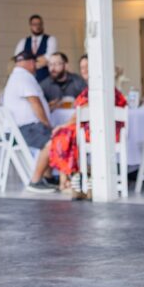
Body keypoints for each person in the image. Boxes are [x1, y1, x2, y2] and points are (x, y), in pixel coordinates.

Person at [48, 56, 127, 189]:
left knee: (63, 133)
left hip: (104, 132)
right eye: (82, 67)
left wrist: (64, 125)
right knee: (66, 133)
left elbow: (85, 110)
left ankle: (66, 181)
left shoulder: (100, 88)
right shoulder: (93, 88)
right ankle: (69, 179)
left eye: (87, 67)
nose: (84, 70)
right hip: (97, 130)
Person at [3, 53, 59, 195]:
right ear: (27, 62)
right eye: (34, 62)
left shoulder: (18, 76)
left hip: (23, 127)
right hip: (25, 128)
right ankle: (35, 181)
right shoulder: (23, 77)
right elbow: (35, 102)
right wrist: (46, 123)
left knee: (53, 137)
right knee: (54, 141)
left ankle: (48, 176)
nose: (35, 66)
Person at [13, 15, 57, 83]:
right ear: (30, 26)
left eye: (39, 24)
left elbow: (49, 59)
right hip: (26, 80)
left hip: (45, 79)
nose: (37, 26)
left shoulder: (50, 39)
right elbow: (17, 61)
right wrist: (40, 61)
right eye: (34, 24)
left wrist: (27, 62)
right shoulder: (23, 41)